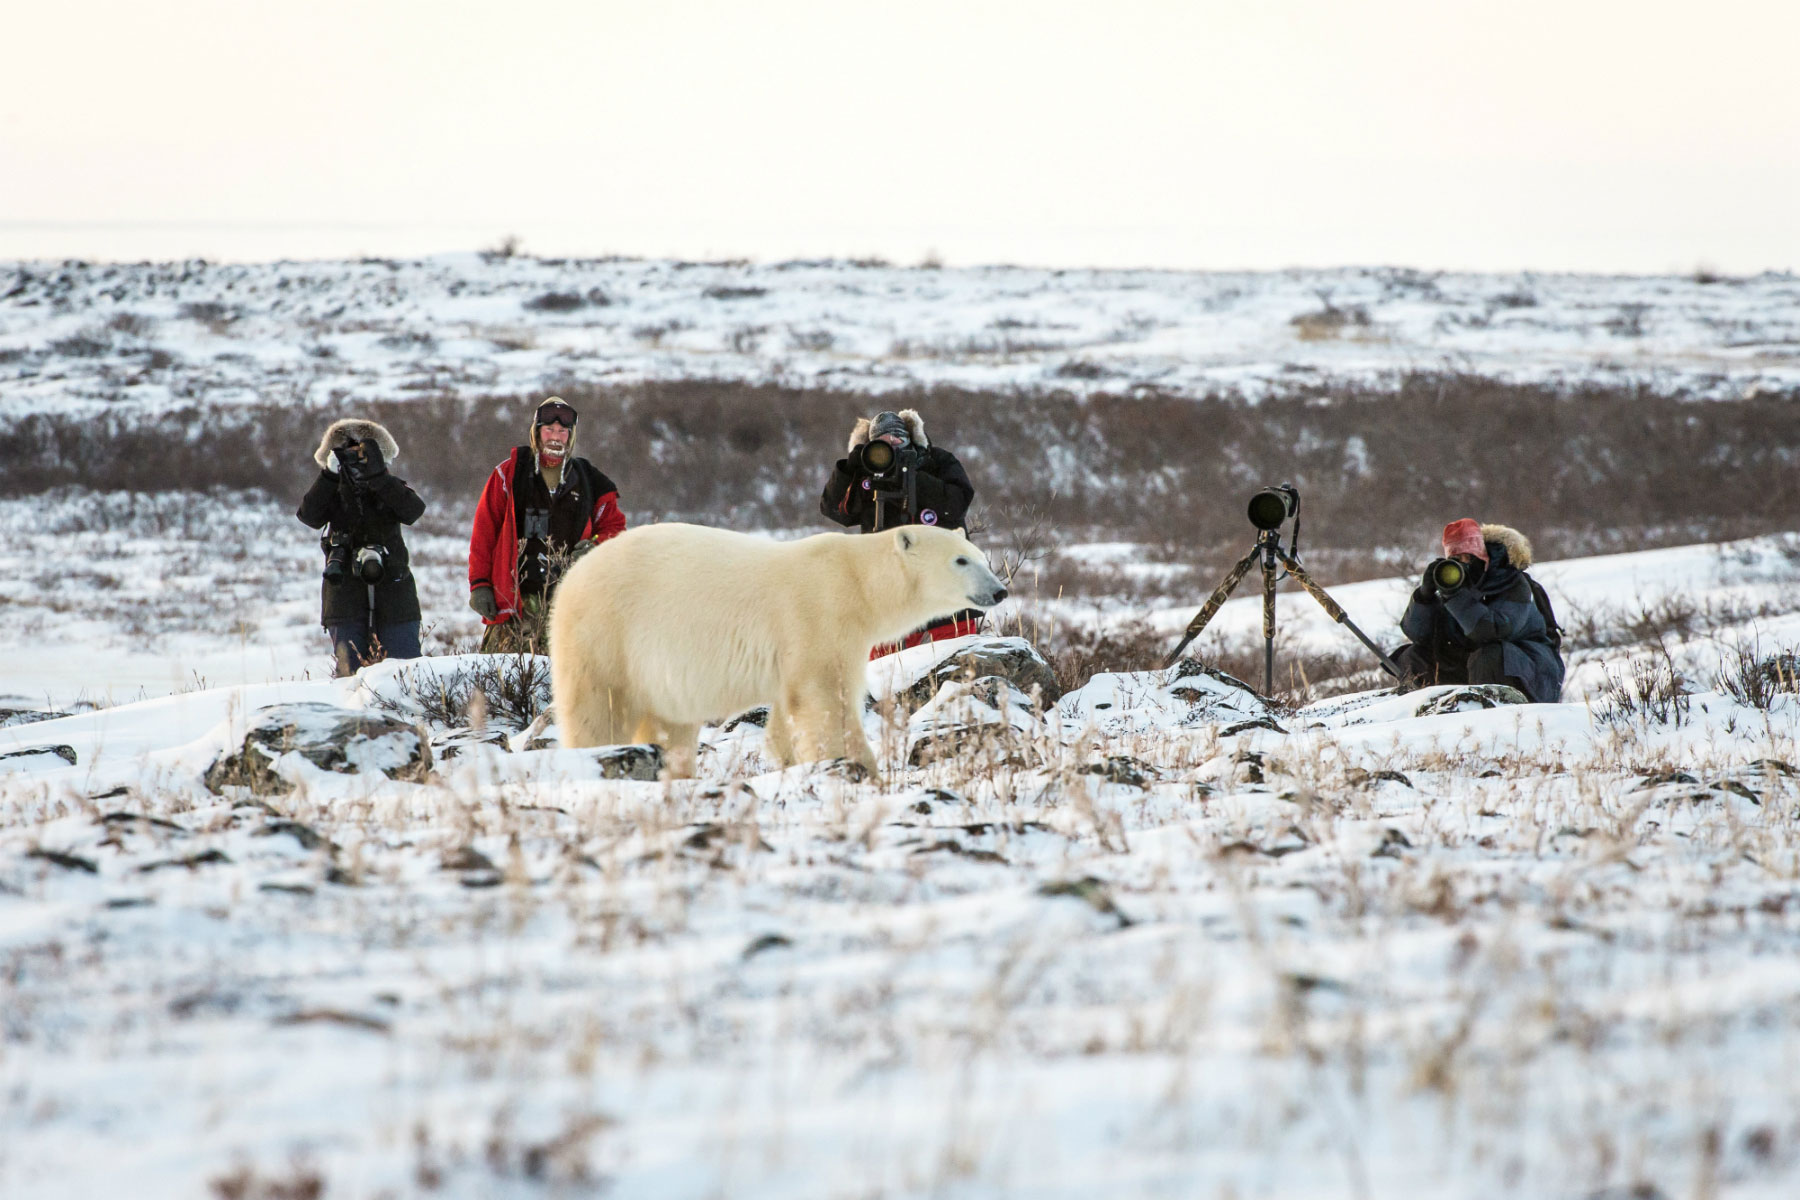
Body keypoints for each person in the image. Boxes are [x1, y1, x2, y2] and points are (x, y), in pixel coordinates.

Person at [468, 396, 626, 653]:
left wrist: (596, 547)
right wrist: (480, 585)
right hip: (514, 606)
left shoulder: (590, 482)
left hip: (570, 606)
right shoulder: (508, 475)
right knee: (498, 684)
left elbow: (614, 529)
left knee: (565, 685)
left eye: (562, 431)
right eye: (549, 429)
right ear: (536, 432)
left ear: (571, 436)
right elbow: (484, 534)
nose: (556, 436)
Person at [818, 408, 980, 655]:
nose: (892, 446)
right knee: (886, 676)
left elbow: (956, 504)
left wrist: (913, 476)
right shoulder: (865, 470)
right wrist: (852, 467)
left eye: (898, 438)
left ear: (911, 438)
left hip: (944, 593)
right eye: (883, 443)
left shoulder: (936, 461)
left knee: (954, 670)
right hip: (886, 595)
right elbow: (835, 510)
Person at [296, 418, 427, 677]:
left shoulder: (388, 487)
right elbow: (309, 516)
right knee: (350, 679)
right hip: (344, 592)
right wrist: (330, 476)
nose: (356, 459)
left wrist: (379, 477)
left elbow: (413, 510)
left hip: (394, 591)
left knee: (406, 676)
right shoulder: (331, 490)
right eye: (348, 452)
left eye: (364, 453)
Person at [1391, 519, 1565, 702]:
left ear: (1481, 557)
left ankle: (1485, 716)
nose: (1460, 565)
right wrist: (1424, 596)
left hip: (1530, 670)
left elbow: (1490, 631)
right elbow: (1418, 635)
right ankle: (1429, 713)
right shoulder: (1455, 585)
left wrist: (1455, 597)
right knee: (1414, 656)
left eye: (1466, 557)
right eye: (1454, 560)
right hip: (1474, 665)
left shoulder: (1512, 583)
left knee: (1488, 656)